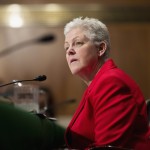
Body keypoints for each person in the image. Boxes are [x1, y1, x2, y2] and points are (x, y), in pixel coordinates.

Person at [63, 17, 150, 150]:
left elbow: (106, 147)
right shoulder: (99, 83)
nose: (69, 51)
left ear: (101, 49)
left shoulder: (111, 82)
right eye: (66, 47)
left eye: (78, 43)